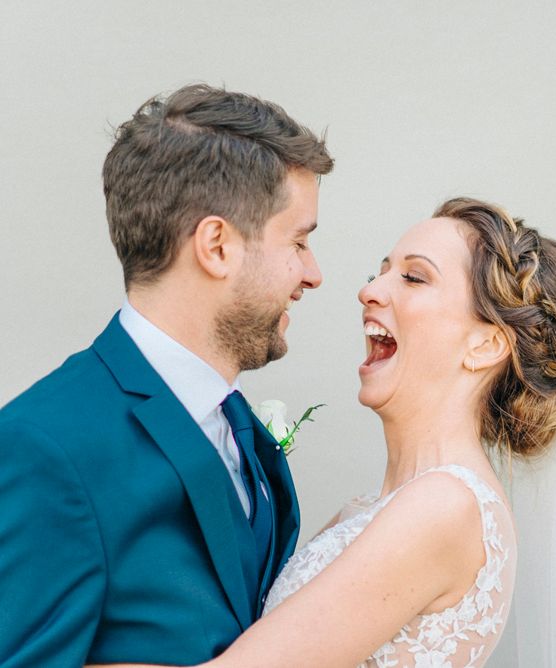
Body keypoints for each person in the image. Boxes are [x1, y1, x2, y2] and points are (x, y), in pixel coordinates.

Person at [96, 196, 556, 668]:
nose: (369, 290)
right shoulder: (371, 510)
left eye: (413, 277)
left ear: (485, 345)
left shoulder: (444, 506)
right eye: (379, 271)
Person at [0, 84, 333, 666]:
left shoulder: (240, 427)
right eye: (299, 241)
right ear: (217, 246)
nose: (313, 273)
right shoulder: (45, 446)